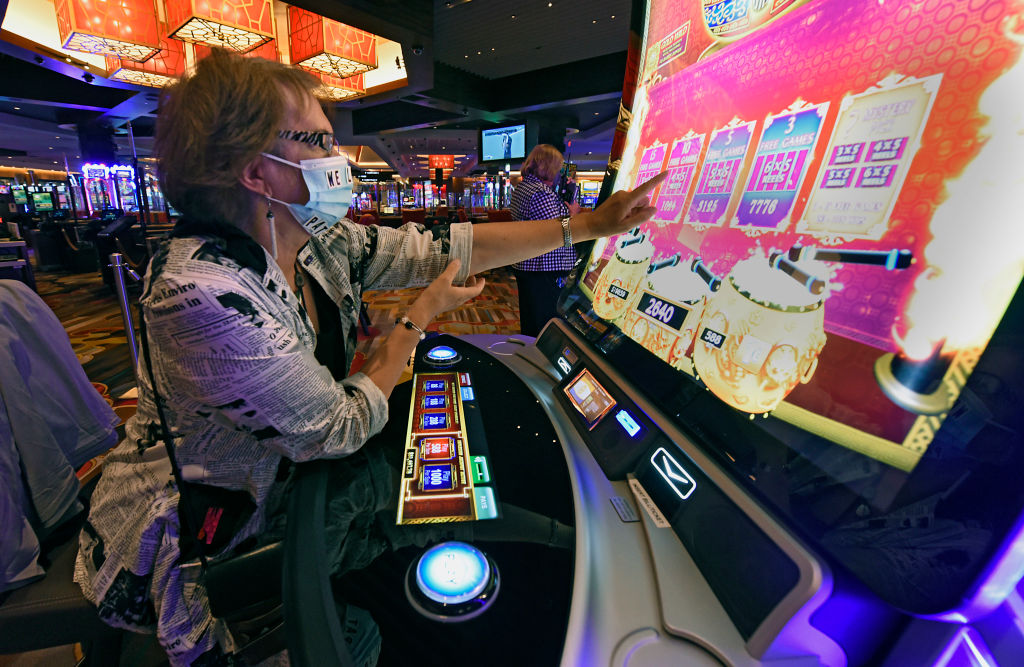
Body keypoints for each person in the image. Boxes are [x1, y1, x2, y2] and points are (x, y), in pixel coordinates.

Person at [73, 50, 664, 667]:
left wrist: (587, 225)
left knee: (440, 511)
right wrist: (416, 320)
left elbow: (444, 246)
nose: (340, 160)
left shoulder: (314, 242)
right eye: (321, 141)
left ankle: (566, 548)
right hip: (204, 535)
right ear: (257, 173)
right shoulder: (200, 291)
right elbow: (333, 427)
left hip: (288, 483)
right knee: (366, 636)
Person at [509, 144, 580, 336]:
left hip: (529, 265)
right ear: (547, 166)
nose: (560, 172)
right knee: (545, 324)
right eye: (558, 167)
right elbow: (555, 231)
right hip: (544, 268)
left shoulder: (524, 187)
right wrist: (572, 214)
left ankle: (531, 356)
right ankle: (539, 361)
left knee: (532, 321)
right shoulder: (539, 192)